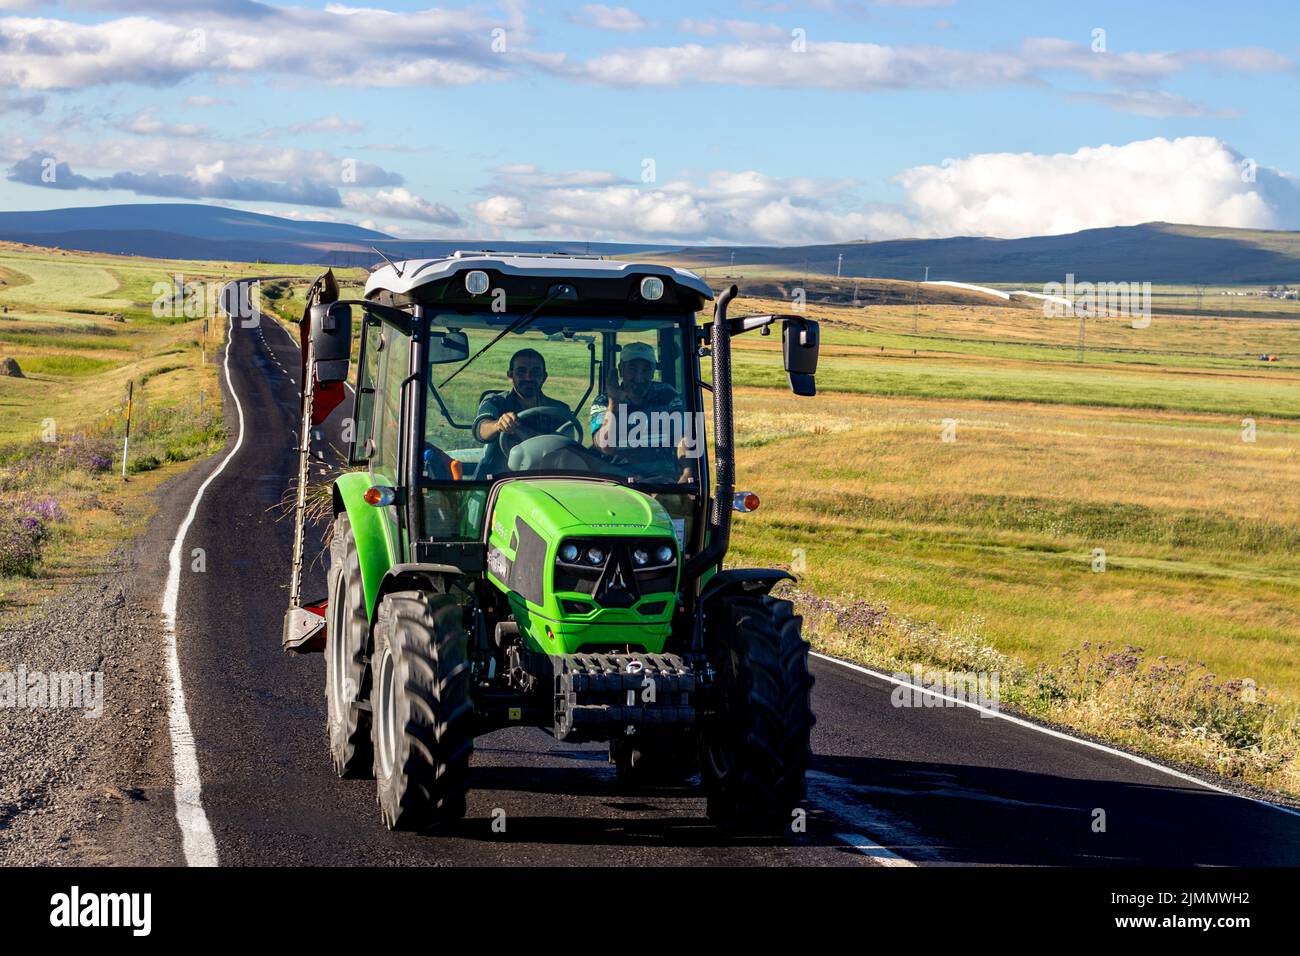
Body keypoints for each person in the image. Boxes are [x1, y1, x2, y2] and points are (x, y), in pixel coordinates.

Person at [591, 341, 686, 479]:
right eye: (632, 369)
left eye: (646, 370)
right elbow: (606, 446)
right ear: (620, 370)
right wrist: (614, 402)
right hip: (617, 481)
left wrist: (687, 471)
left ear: (654, 371)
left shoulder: (667, 395)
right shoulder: (604, 401)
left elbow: (683, 436)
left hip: (663, 480)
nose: (639, 378)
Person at [474, 348, 568, 444]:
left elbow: (568, 447)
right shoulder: (495, 401)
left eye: (535, 372)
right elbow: (481, 430)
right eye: (521, 371)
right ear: (510, 376)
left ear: (544, 377)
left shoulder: (559, 410)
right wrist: (498, 425)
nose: (528, 377)